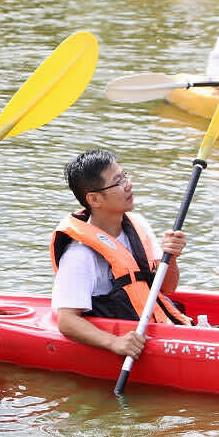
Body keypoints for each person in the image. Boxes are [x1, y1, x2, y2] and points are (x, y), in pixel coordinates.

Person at [51, 150, 191, 357]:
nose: (128, 184)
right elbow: (67, 320)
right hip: (138, 343)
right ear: (94, 199)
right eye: (118, 182)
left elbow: (167, 288)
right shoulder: (79, 255)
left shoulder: (138, 226)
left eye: (125, 175)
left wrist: (170, 258)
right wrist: (115, 343)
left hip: (165, 329)